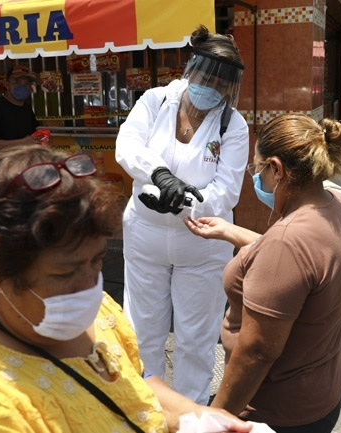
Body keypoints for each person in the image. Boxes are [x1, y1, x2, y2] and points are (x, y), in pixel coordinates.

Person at [0, 146, 250, 433]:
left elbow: (130, 379)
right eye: (65, 272)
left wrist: (194, 415)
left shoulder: (94, 311)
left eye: (96, 261)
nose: (89, 286)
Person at [184, 114, 341, 433]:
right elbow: (304, 263)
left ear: (277, 169)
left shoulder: (287, 242)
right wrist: (230, 231)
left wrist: (215, 419)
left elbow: (256, 352)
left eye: (258, 169)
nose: (256, 179)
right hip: (324, 390)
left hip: (279, 412)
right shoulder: (338, 204)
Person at [115, 25, 249, 405]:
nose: (210, 90)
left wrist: (184, 201)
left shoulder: (232, 124)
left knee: (196, 339)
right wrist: (158, 174)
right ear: (192, 69)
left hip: (203, 245)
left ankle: (191, 413)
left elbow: (226, 191)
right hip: (146, 238)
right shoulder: (155, 101)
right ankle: (146, 408)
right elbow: (127, 144)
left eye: (220, 85)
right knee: (142, 332)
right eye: (206, 78)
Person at [0, 64, 43, 152]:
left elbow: (32, 136)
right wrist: (22, 143)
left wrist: (42, 140)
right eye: (17, 81)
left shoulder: (26, 107)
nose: (22, 86)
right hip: (5, 160)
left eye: (27, 83)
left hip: (24, 159)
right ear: (6, 84)